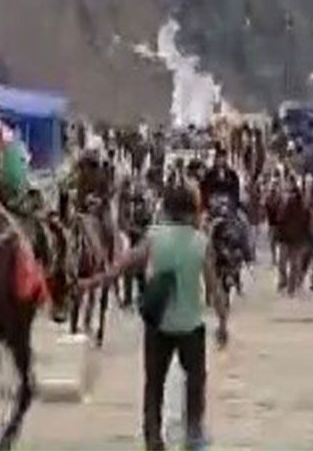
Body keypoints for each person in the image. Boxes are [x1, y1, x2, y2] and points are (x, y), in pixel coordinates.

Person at [103, 183, 226, 451]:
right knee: (195, 381)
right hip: (190, 326)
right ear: (191, 211)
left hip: (158, 326)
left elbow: (125, 262)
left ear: (167, 209)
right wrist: (223, 322)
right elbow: (214, 288)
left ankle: (153, 439)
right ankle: (193, 433)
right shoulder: (200, 242)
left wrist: (99, 279)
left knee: (154, 384)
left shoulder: (154, 236)